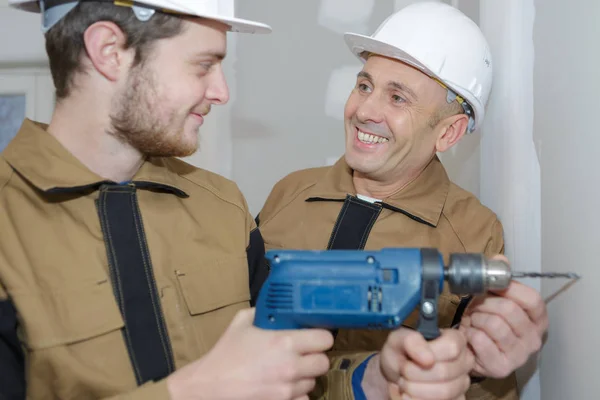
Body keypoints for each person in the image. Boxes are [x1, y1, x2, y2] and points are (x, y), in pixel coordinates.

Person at [0, 1, 475, 399]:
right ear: (109, 52)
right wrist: (193, 392)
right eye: (203, 64)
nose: (222, 91)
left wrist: (369, 380)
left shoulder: (222, 210)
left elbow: (284, 377)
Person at [256, 2, 549, 399]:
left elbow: (486, 387)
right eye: (364, 85)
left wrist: (469, 367)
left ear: (448, 133)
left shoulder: (473, 235)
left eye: (398, 99)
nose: (365, 110)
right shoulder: (290, 193)